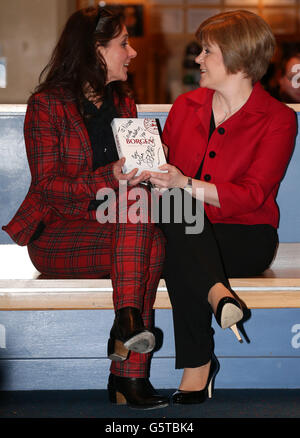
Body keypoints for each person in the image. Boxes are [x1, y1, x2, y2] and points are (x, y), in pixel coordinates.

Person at [2, 7, 169, 410]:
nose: (132, 53)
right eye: (123, 44)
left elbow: (132, 181)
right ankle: (128, 373)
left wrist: (156, 173)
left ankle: (126, 328)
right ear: (95, 50)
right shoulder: (47, 105)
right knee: (146, 237)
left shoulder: (124, 102)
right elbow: (50, 188)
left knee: (145, 225)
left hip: (112, 230)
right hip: (56, 234)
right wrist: (111, 175)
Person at [149, 10, 297, 404]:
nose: (197, 59)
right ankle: (218, 295)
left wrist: (184, 183)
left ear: (237, 56)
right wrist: (155, 169)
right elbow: (170, 188)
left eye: (207, 51)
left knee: (180, 242)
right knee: (177, 216)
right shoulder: (186, 105)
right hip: (186, 229)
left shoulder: (278, 119)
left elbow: (252, 195)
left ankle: (198, 364)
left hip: (246, 236)